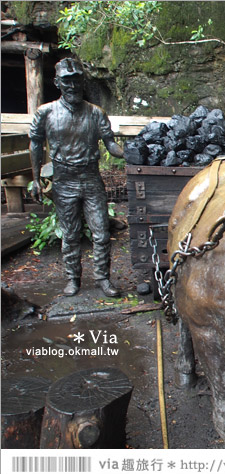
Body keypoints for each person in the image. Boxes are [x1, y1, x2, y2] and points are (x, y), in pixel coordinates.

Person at [29, 58, 124, 297]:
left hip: (91, 180)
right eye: (67, 81)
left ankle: (102, 278)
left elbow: (111, 144)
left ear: (83, 82)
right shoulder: (46, 112)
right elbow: (35, 144)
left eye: (77, 80)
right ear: (57, 82)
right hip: (64, 181)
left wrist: (132, 153)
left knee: (101, 233)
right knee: (70, 235)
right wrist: (36, 180)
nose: (72, 86)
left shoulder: (96, 113)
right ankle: (73, 279)